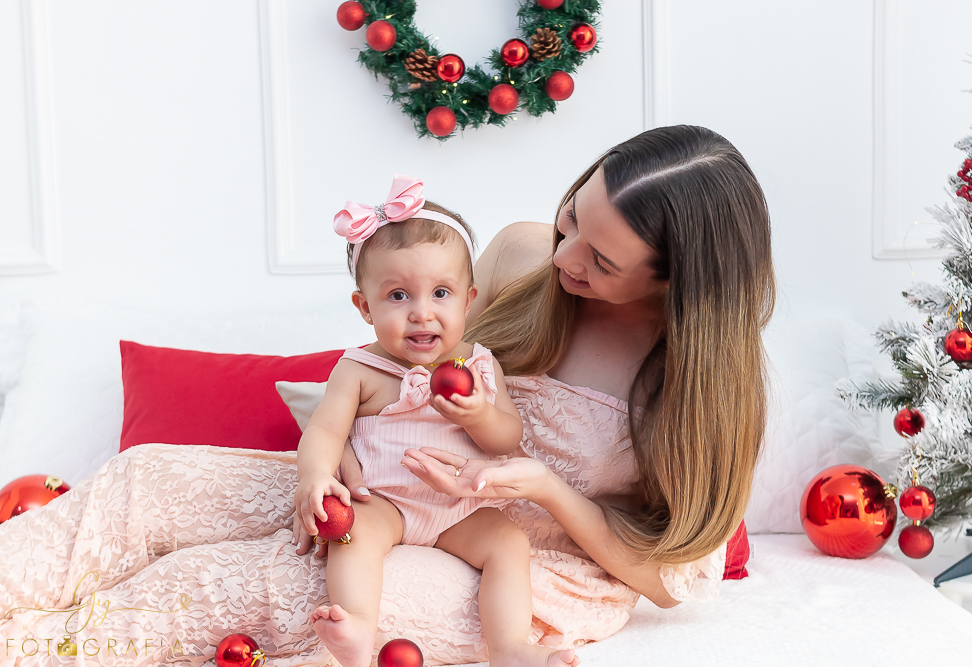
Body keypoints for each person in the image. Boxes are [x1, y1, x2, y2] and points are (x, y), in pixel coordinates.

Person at [0, 125, 773, 666]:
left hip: (526, 559)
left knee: (252, 581)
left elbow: (673, 580)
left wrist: (542, 487)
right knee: (149, 478)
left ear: (673, 279)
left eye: (599, 258)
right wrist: (343, 459)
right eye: (571, 217)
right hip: (401, 492)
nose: (564, 256)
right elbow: (407, 353)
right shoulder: (523, 257)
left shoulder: (698, 382)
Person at [298, 176, 578, 667]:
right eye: (398, 297)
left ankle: (510, 647)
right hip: (385, 501)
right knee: (351, 535)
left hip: (460, 508)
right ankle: (358, 628)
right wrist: (316, 475)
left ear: (469, 301)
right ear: (365, 308)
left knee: (509, 544)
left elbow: (508, 437)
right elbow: (324, 429)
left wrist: (481, 414)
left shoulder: (481, 365)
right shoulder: (361, 368)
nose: (422, 314)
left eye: (441, 293)